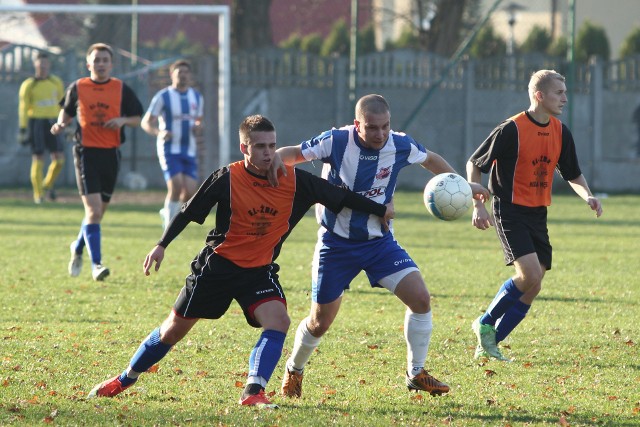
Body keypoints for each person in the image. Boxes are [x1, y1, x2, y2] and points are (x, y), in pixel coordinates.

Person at [87, 114, 393, 408]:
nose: (268, 152)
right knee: (171, 331)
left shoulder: (295, 181)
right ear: (244, 148)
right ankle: (126, 377)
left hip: (258, 271)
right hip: (217, 268)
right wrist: (161, 245)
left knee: (279, 321)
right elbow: (187, 212)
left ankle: (253, 391)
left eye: (272, 146)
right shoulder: (227, 178)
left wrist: (379, 209)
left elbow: (340, 197)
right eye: (260, 146)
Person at [269, 94, 489, 398]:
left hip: (378, 242)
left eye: (385, 126)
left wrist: (462, 185)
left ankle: (416, 373)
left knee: (421, 299)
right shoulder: (336, 141)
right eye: (372, 128)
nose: (380, 134)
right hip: (336, 245)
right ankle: (294, 369)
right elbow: (293, 153)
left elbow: (431, 159)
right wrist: (271, 162)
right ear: (357, 123)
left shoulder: (399, 144)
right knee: (319, 323)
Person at [466, 70, 603, 361]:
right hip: (509, 209)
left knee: (535, 283)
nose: (565, 98)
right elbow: (475, 163)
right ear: (540, 96)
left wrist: (587, 195)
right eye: (559, 93)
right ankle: (485, 322)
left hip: (538, 213)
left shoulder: (560, 131)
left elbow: (572, 172)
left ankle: (490, 345)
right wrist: (477, 204)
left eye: (565, 92)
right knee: (528, 274)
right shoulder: (511, 129)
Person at [51, 43, 143, 281]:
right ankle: (97, 265)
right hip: (86, 153)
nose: (101, 64)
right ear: (88, 64)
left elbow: (136, 117)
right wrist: (61, 123)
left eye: (105, 60)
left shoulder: (121, 88)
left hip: (111, 154)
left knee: (98, 214)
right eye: (97, 60)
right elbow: (67, 111)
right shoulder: (79, 87)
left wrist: (122, 121)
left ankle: (78, 247)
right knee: (92, 211)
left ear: (111, 64)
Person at [141, 59, 204, 229]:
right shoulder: (163, 96)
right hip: (169, 148)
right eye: (179, 72)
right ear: (172, 75)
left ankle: (169, 213)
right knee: (176, 186)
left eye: (186, 73)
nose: (183, 76)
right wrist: (159, 132)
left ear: (189, 76)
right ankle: (169, 226)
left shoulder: (196, 97)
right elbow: (146, 122)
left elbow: (199, 121)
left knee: (190, 192)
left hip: (189, 149)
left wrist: (198, 127)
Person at [18, 52, 65, 204]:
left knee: (59, 159)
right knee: (38, 157)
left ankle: (47, 184)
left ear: (49, 64)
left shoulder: (56, 82)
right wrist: (23, 128)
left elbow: (63, 104)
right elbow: (24, 107)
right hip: (36, 122)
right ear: (35, 64)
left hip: (53, 122)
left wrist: (65, 123)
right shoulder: (29, 84)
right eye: (40, 63)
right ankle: (38, 195)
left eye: (45, 63)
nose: (43, 66)